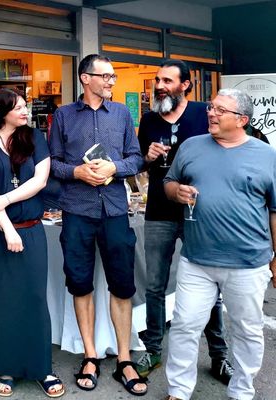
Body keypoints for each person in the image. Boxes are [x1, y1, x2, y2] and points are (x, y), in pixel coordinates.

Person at [163, 88, 276, 400]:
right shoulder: (190, 146)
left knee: (247, 331)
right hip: (196, 259)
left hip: (247, 262)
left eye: (219, 110)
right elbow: (168, 183)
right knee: (185, 326)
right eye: (211, 107)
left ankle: (242, 390)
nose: (210, 113)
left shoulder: (267, 155)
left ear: (241, 120)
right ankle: (179, 391)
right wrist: (177, 192)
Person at [49, 54, 147, 396]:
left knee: (122, 285)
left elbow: (136, 157)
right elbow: (53, 164)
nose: (110, 81)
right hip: (76, 212)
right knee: (80, 284)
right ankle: (89, 355)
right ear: (84, 78)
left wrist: (114, 169)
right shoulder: (62, 116)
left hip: (116, 210)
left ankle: (124, 359)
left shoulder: (121, 113)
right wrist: (76, 172)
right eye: (104, 76)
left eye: (113, 77)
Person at [135, 59, 233, 383]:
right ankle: (152, 349)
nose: (160, 85)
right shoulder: (148, 120)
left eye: (167, 80)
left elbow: (226, 151)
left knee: (210, 286)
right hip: (159, 212)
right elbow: (138, 165)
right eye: (157, 80)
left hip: (199, 213)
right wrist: (146, 158)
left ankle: (218, 356)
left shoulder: (205, 113)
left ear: (185, 85)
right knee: (154, 286)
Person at [0, 88, 65, 398]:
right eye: (18, 107)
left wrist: (5, 201)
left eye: (25, 105)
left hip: (32, 229)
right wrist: (8, 229)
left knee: (34, 297)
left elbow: (39, 180)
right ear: (1, 111)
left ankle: (41, 367)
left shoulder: (34, 137)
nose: (25, 111)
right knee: (0, 301)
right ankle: (4, 366)